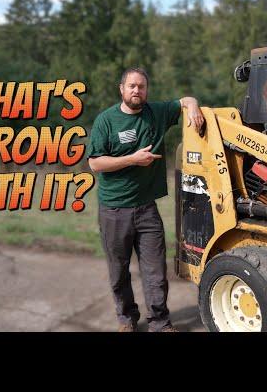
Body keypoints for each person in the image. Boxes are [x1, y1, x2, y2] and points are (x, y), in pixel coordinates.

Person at [87, 66, 204, 332]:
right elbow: (95, 163)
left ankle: (160, 323)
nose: (137, 91)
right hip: (114, 210)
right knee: (119, 272)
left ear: (146, 90)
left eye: (141, 86)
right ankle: (127, 319)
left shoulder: (156, 113)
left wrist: (194, 107)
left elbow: (185, 100)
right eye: (132, 86)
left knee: (155, 272)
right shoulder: (106, 121)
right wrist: (133, 159)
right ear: (122, 89)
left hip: (146, 210)